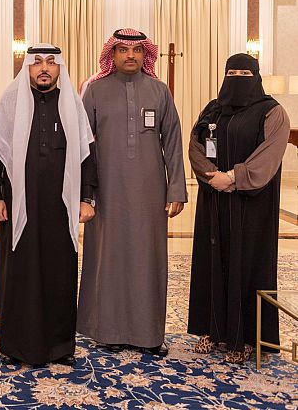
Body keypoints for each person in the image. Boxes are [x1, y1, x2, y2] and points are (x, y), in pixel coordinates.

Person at [0, 45, 97, 366]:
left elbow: (87, 155)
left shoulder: (72, 104)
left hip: (61, 205)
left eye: (50, 62)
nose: (44, 68)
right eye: (37, 63)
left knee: (60, 273)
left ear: (60, 68)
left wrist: (86, 198)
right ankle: (17, 346)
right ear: (27, 68)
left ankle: (60, 347)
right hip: (19, 203)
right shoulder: (11, 101)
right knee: (19, 273)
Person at [77, 28, 187, 357]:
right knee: (107, 257)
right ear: (111, 55)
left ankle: (149, 334)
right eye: (123, 49)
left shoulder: (159, 91)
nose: (130, 55)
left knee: (147, 258)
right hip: (106, 191)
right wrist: (85, 194)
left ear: (145, 55)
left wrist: (176, 188)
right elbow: (83, 147)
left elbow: (173, 141)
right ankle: (107, 331)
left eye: (137, 50)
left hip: (149, 192)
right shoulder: (95, 91)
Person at [187, 53, 290, 363]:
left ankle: (245, 337)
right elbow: (195, 145)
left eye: (245, 73)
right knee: (211, 261)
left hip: (251, 207)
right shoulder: (212, 109)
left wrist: (232, 177)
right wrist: (211, 176)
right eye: (232, 73)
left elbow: (269, 154)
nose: (238, 78)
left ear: (256, 76)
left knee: (247, 265)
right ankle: (211, 329)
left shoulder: (272, 112)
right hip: (214, 201)